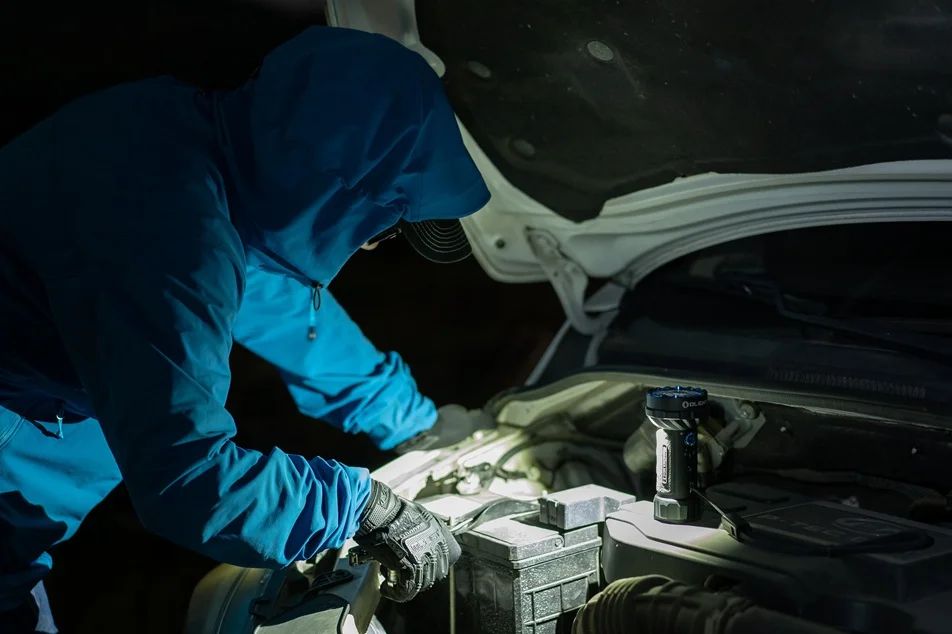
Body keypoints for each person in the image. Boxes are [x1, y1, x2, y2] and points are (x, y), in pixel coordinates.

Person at [0, 25, 493, 633]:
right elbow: (190, 479)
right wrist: (361, 507)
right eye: (381, 226)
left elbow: (270, 297)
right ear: (331, 195)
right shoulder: (170, 235)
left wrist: (412, 420)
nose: (369, 245)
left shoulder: (195, 142)